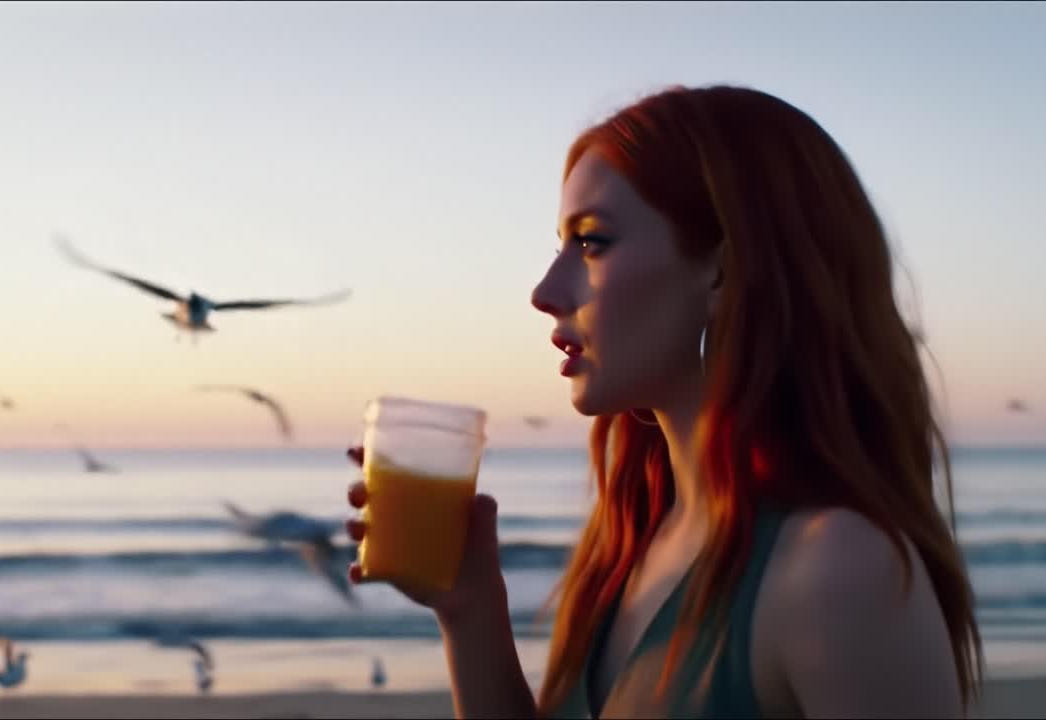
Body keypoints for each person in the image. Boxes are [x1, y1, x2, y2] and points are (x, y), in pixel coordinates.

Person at [344, 84, 983, 719]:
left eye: (592, 242)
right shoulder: (633, 545)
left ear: (724, 273)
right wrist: (470, 612)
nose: (545, 291)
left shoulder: (839, 572)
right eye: (561, 246)